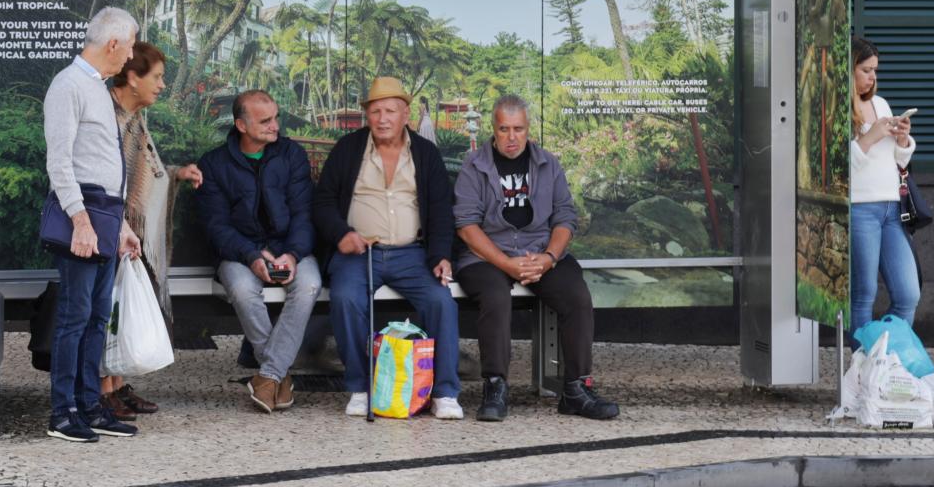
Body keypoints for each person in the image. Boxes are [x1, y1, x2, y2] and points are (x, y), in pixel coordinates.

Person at [453, 95, 619, 422]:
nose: (511, 137)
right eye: (504, 129)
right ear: (494, 129)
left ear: (529, 129)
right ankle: (496, 385)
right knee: (495, 295)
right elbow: (466, 226)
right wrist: (506, 263)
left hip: (540, 249)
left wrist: (549, 258)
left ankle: (575, 389)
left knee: (577, 295)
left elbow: (565, 218)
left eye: (518, 129)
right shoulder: (474, 166)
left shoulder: (548, 164)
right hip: (487, 254)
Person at [313, 76, 462, 419]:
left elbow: (441, 210)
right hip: (359, 251)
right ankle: (360, 386)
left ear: (405, 114)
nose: (382, 118)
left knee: (441, 301)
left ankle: (444, 392)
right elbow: (321, 203)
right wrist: (341, 234)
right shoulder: (348, 149)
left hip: (413, 253)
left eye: (390, 111)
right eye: (375, 111)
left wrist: (440, 256)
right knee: (346, 298)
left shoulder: (425, 154)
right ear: (367, 115)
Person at [41, 6, 143, 443]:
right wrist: (81, 221)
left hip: (104, 216)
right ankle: (62, 412)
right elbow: (59, 162)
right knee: (75, 316)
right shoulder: (68, 85)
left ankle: (89, 405)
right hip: (84, 216)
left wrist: (119, 226)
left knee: (97, 316)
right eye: (132, 44)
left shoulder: (97, 87)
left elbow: (104, 164)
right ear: (114, 43)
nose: (132, 54)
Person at [197, 90, 321, 412]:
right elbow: (216, 227)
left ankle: (268, 375)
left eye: (276, 117)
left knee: (308, 285)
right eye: (265, 121)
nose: (275, 126)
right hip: (240, 253)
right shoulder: (214, 164)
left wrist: (292, 254)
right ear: (241, 124)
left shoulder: (291, 154)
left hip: (290, 250)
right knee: (241, 288)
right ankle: (279, 376)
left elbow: (305, 214)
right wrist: (252, 256)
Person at [102, 41, 203, 418]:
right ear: (132, 77)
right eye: (157, 77)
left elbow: (146, 174)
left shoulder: (134, 118)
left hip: (128, 232)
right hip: (109, 229)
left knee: (121, 308)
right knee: (110, 310)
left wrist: (177, 174)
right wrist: (121, 225)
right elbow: (109, 184)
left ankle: (117, 384)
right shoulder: (109, 117)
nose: (161, 85)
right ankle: (101, 390)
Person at [848, 36, 918, 338]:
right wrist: (870, 136)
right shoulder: (836, 107)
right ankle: (862, 367)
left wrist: (902, 140)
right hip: (860, 209)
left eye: (875, 70)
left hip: (892, 208)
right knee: (864, 294)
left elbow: (899, 162)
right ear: (849, 70)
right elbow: (839, 169)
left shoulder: (880, 103)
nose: (873, 77)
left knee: (908, 296)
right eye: (866, 70)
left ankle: (883, 357)